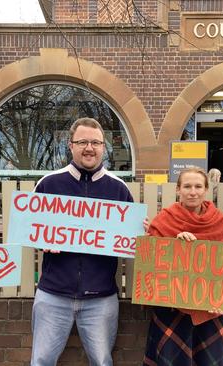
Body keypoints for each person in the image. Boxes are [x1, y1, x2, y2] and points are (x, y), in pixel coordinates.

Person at [30, 117, 135, 366]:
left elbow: (128, 238)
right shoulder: (49, 184)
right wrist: (41, 240)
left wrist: (138, 233)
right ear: (71, 145)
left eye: (96, 142)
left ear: (103, 146)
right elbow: (29, 230)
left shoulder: (118, 189)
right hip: (53, 294)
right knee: (41, 360)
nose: (90, 148)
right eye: (83, 142)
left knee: (101, 361)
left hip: (101, 297)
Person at [143, 167, 223, 366]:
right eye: (187, 186)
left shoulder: (220, 221)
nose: (192, 191)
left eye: (198, 186)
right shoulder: (164, 220)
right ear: (178, 190)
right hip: (172, 307)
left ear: (205, 190)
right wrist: (175, 246)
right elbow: (152, 264)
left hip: (212, 308)